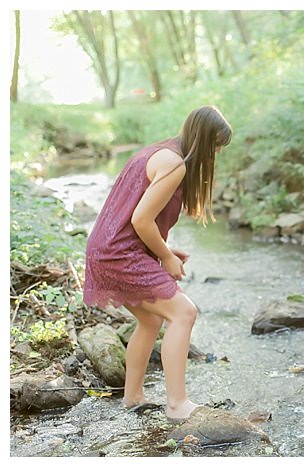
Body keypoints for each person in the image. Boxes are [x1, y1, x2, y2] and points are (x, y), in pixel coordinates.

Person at [83, 105, 232, 422]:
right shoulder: (175, 164)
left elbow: (130, 218)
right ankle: (177, 405)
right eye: (216, 146)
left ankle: (133, 396)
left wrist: (165, 249)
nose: (215, 154)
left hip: (106, 248)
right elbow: (140, 219)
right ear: (204, 139)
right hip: (119, 254)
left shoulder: (157, 152)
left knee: (151, 321)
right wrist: (163, 256)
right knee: (184, 312)